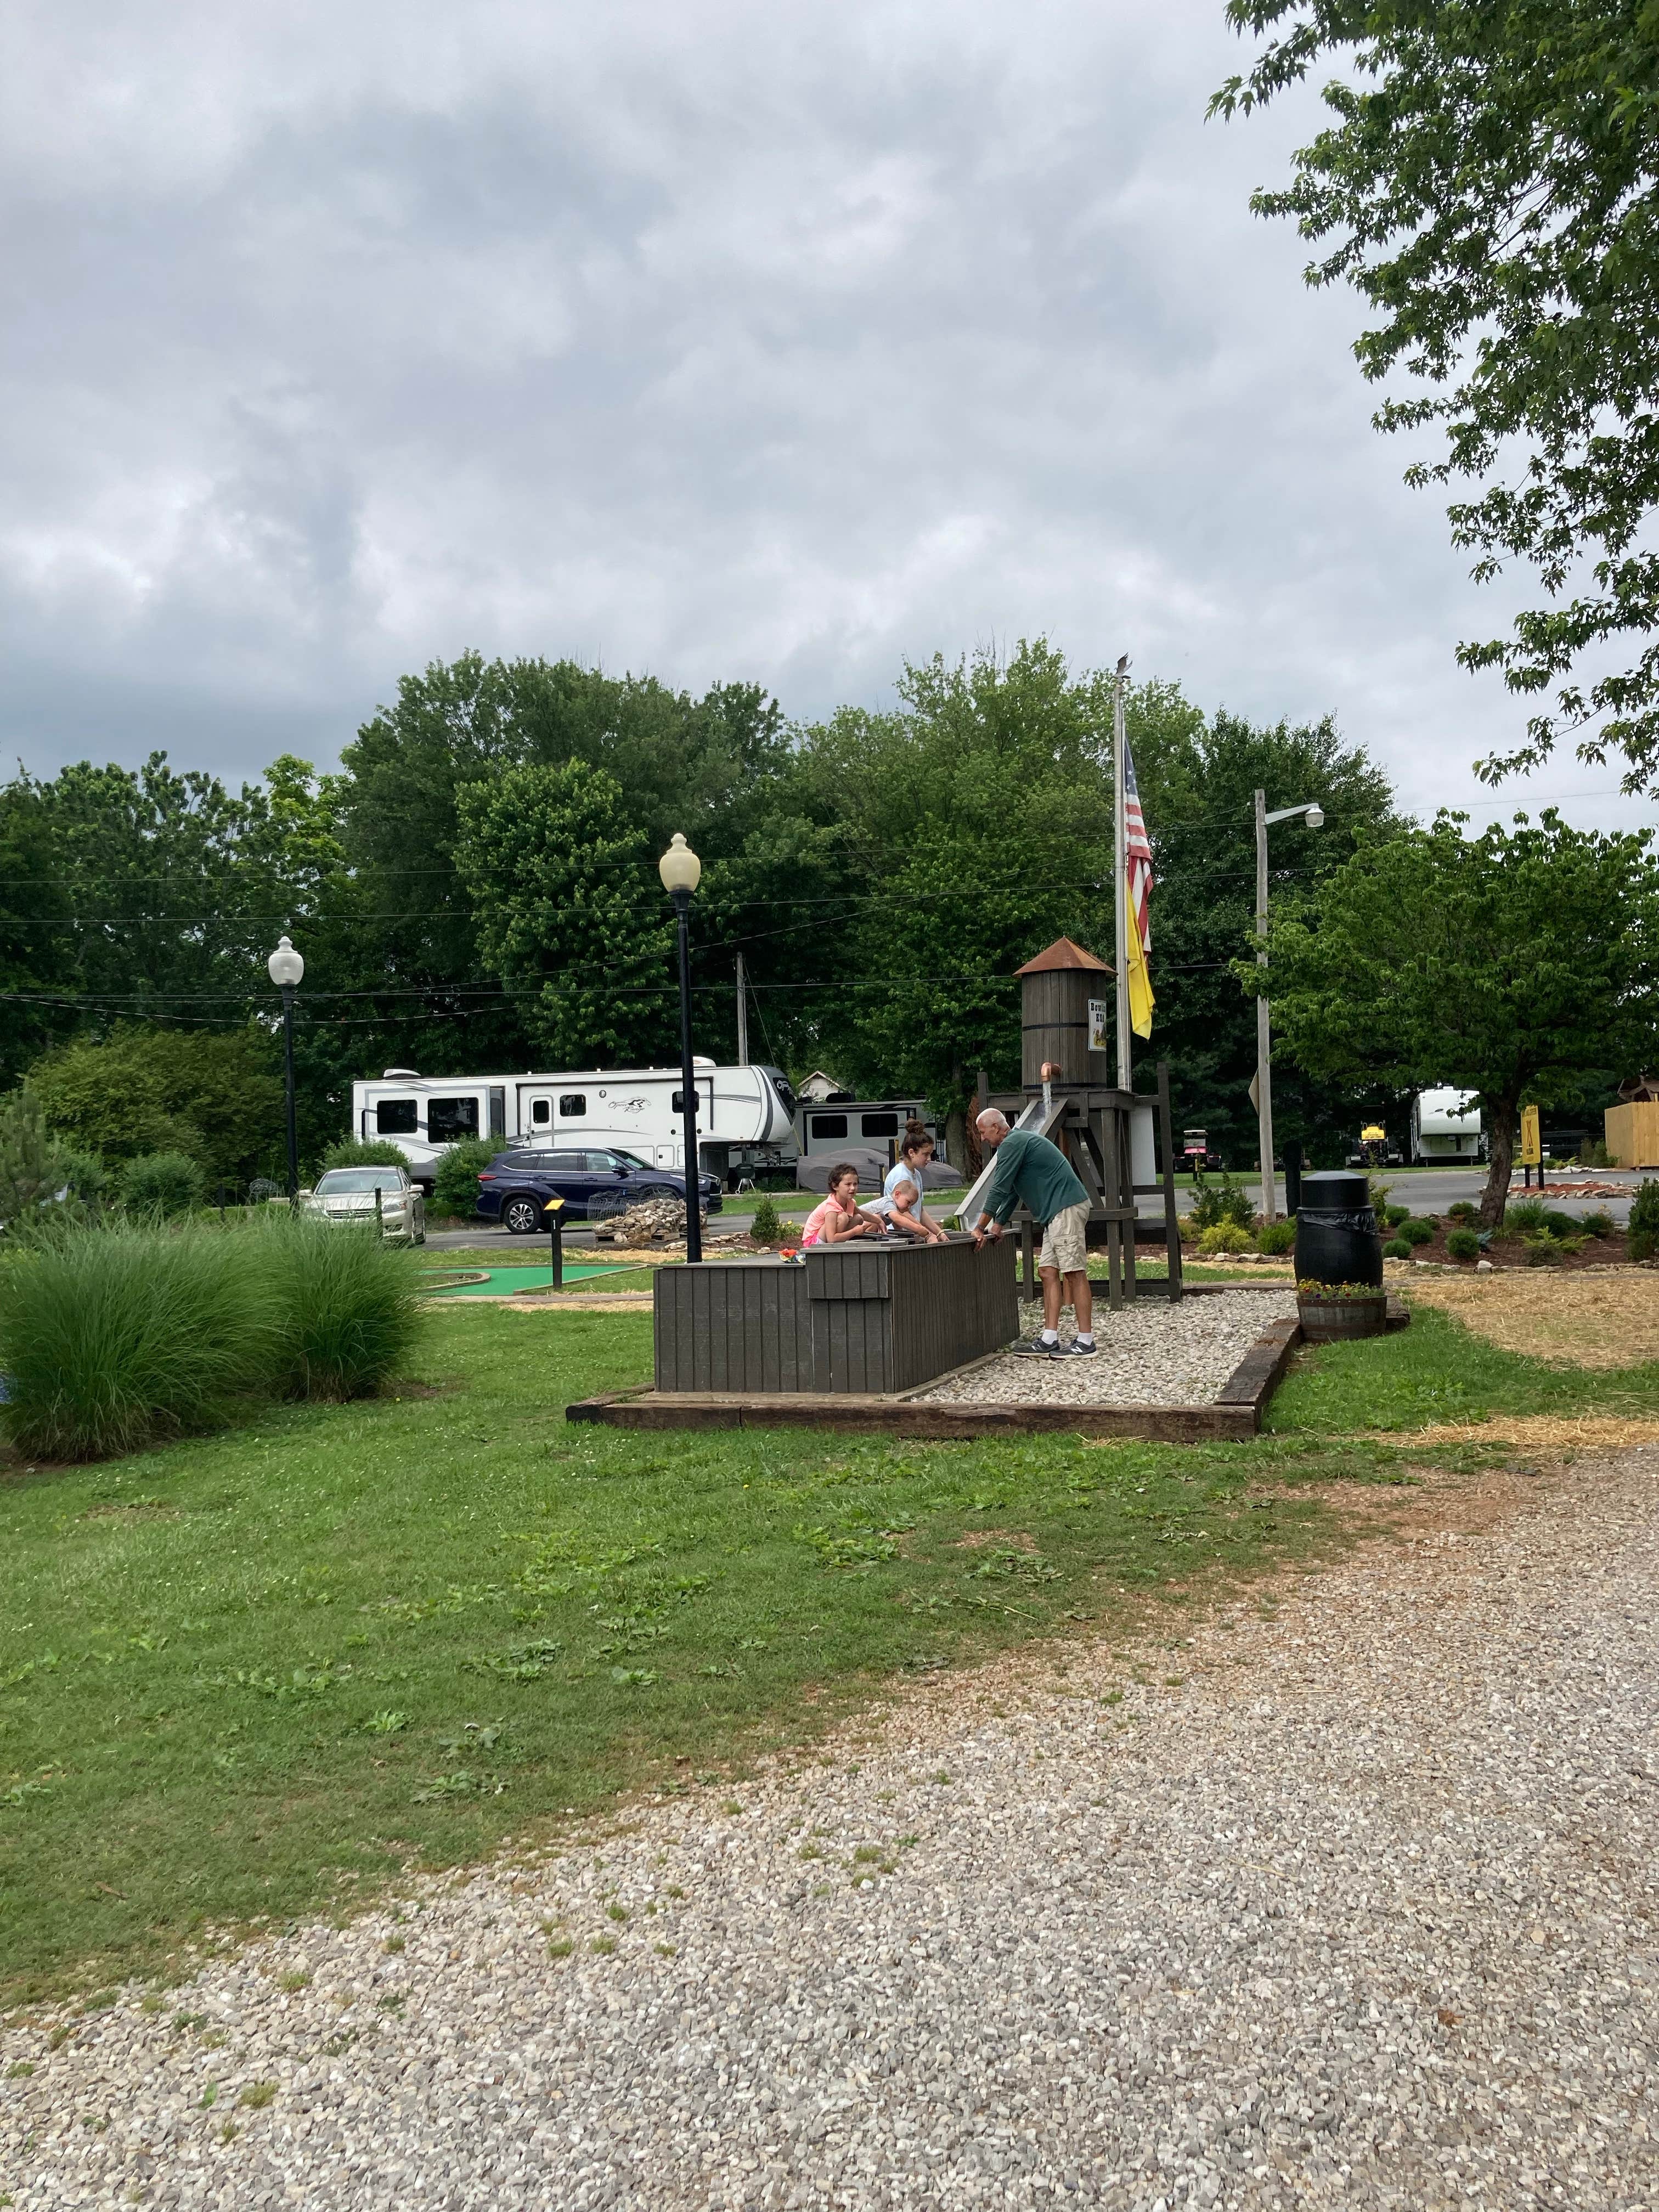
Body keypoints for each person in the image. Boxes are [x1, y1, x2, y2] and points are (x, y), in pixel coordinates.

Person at [970, 1108, 1095, 1357]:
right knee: (1048, 1271)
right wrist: (999, 1223)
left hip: (1065, 1207)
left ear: (996, 1127)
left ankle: (1086, 1341)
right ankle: (1049, 1339)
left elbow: (999, 1188)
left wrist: (979, 1227)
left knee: (1074, 1272)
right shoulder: (1018, 1143)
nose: (983, 1138)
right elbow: (1015, 1189)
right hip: (1055, 1213)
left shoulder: (1012, 1143)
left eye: (983, 1132)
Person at [867, 1120, 949, 1240]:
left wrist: (939, 1232)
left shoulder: (917, 1174)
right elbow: (901, 1212)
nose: (929, 1159)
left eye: (930, 1154)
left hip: (913, 1234)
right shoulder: (901, 1176)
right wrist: (927, 1234)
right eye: (925, 1154)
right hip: (899, 1236)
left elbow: (920, 1211)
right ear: (912, 1153)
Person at [800, 1163, 883, 1246]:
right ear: (835, 1186)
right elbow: (831, 1239)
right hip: (813, 1243)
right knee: (843, 1217)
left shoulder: (849, 1202)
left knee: (858, 1218)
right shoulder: (831, 1207)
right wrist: (854, 1232)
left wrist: (878, 1221)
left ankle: (841, 1243)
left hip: (827, 1238)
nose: (853, 1188)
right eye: (848, 1184)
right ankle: (837, 1247)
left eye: (855, 1184)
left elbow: (861, 1213)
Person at [867, 1174, 946, 1244]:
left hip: (864, 1229)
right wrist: (920, 1229)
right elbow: (898, 1220)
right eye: (908, 1202)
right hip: (858, 1225)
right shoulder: (889, 1202)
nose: (909, 1207)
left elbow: (898, 1227)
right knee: (875, 1219)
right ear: (897, 1194)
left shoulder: (894, 1208)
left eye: (911, 1205)